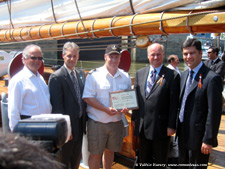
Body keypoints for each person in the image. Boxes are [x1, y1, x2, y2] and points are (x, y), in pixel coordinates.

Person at [82, 44, 132, 169]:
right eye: (111, 57)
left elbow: (128, 98)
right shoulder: (94, 75)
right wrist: (105, 109)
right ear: (105, 57)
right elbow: (87, 97)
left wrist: (126, 107)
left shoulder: (125, 77)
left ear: (120, 58)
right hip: (97, 123)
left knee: (110, 152)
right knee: (95, 154)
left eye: (116, 57)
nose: (114, 60)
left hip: (116, 123)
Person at [132, 43, 180, 168]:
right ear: (148, 56)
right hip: (143, 127)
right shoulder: (140, 73)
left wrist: (171, 125)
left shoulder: (172, 75)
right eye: (153, 54)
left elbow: (174, 104)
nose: (155, 57)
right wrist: (134, 120)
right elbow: (137, 99)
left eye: (158, 54)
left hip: (161, 127)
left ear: (163, 55)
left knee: (160, 161)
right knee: (144, 160)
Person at [177, 38, 222, 168]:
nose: (188, 57)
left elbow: (214, 112)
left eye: (192, 53)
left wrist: (209, 140)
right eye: (185, 54)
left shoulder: (212, 78)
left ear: (200, 53)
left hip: (199, 138)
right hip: (182, 133)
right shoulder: (184, 75)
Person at [48, 42, 86, 169]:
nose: (72, 59)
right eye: (69, 56)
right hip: (68, 128)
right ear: (63, 55)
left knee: (76, 158)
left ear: (78, 57)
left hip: (80, 125)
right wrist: (65, 129)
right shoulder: (56, 77)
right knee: (64, 161)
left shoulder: (81, 74)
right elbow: (57, 108)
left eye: (74, 56)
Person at [8, 44, 52, 131]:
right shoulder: (18, 80)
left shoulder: (40, 78)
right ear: (24, 59)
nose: (37, 61)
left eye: (40, 58)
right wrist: (17, 135)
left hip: (45, 125)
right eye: (33, 58)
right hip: (29, 126)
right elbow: (13, 111)